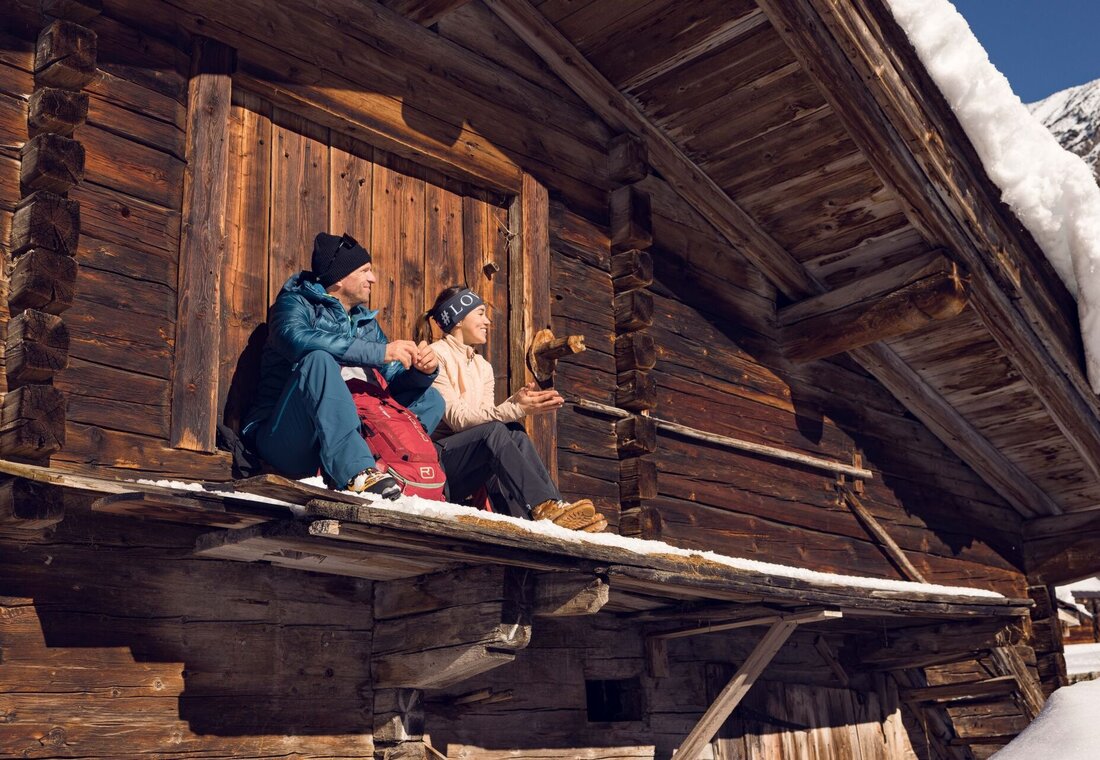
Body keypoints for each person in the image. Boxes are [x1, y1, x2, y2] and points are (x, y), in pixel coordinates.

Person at [241, 232, 444, 500]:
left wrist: (422, 371)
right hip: (288, 438)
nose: (373, 279)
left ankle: (397, 467)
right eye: (365, 271)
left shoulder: (365, 323)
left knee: (431, 399)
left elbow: (394, 386)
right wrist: (378, 352)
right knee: (318, 359)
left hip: (348, 432)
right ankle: (356, 471)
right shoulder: (294, 304)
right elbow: (297, 340)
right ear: (339, 277)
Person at [418, 285, 607, 533]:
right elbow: (458, 420)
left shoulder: (483, 367)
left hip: (471, 460)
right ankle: (543, 508)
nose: (487, 321)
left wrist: (514, 404)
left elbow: (485, 419)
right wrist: (514, 408)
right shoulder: (436, 355)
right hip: (440, 463)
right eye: (480, 313)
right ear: (459, 318)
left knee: (514, 431)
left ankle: (552, 509)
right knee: (497, 430)